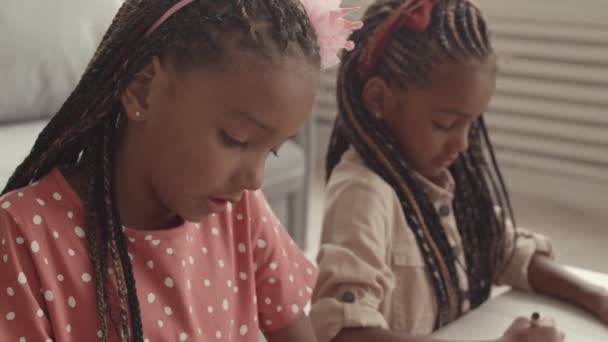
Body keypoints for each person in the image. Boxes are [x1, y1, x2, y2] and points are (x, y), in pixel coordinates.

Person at [0, 0, 361, 341]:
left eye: (273, 152)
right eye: (236, 139)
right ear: (144, 90)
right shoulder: (21, 235)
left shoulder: (240, 212)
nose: (254, 179)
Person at [310, 0, 608, 341]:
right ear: (379, 99)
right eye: (445, 124)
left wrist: (597, 297)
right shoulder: (362, 194)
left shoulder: (441, 178)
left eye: (472, 124)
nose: (463, 144)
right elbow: (345, 332)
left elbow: (502, 249)